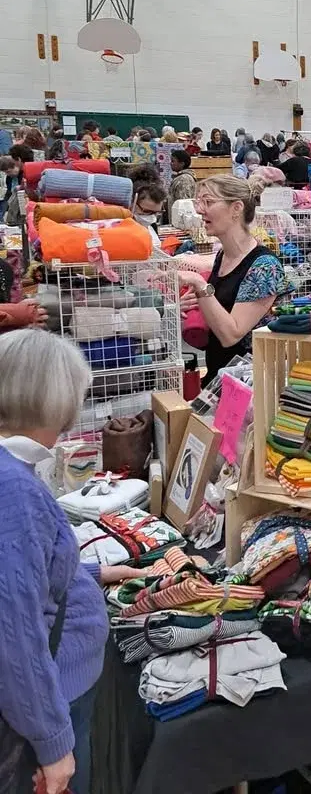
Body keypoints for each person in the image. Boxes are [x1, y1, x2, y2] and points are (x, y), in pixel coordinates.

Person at [0, 330, 149, 794]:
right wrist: (53, 744)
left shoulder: (13, 475)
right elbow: (14, 632)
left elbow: (21, 576)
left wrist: (90, 574)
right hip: (50, 703)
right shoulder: (13, 490)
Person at [177, 175, 290, 386]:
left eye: (208, 202)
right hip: (222, 380)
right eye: (198, 202)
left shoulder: (264, 267)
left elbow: (231, 334)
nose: (200, 210)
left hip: (254, 389)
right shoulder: (224, 257)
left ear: (236, 208)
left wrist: (200, 285)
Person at [131, 180, 165, 250]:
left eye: (157, 213)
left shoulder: (152, 227)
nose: (153, 217)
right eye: (147, 211)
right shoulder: (117, 227)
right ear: (133, 204)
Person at [167, 150, 197, 220]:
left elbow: (183, 204)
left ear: (182, 163)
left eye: (173, 161)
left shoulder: (184, 179)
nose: (171, 163)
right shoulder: (180, 178)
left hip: (180, 221)